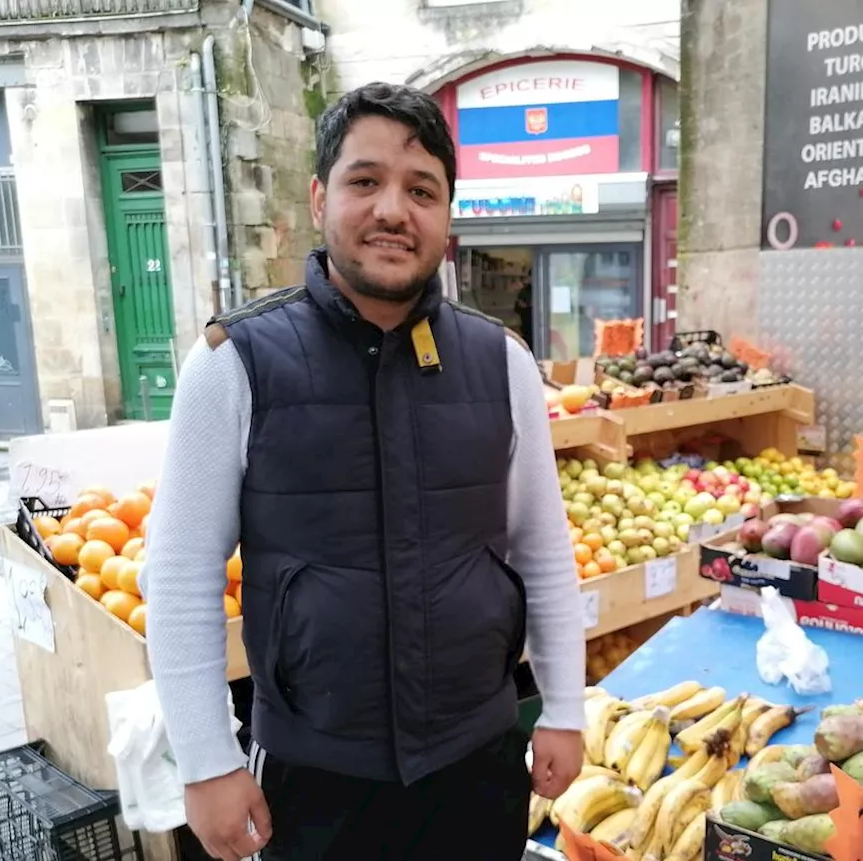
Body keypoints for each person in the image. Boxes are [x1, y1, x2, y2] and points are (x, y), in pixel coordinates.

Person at [142, 82, 585, 861]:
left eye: (422, 190)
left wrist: (564, 706)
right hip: (317, 778)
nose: (393, 210)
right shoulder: (234, 363)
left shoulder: (503, 363)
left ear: (448, 216)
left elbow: (543, 551)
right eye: (365, 181)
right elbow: (179, 572)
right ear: (320, 197)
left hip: (477, 763)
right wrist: (207, 758)